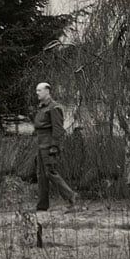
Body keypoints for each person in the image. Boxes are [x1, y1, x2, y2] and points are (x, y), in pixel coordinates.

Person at [33, 82, 78, 211]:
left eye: (39, 90)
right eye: (36, 90)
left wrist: (54, 146)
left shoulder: (54, 108)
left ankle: (71, 196)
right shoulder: (42, 108)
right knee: (41, 175)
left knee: (50, 172)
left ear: (47, 91)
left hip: (48, 146)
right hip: (40, 145)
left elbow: (58, 130)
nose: (37, 93)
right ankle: (42, 205)